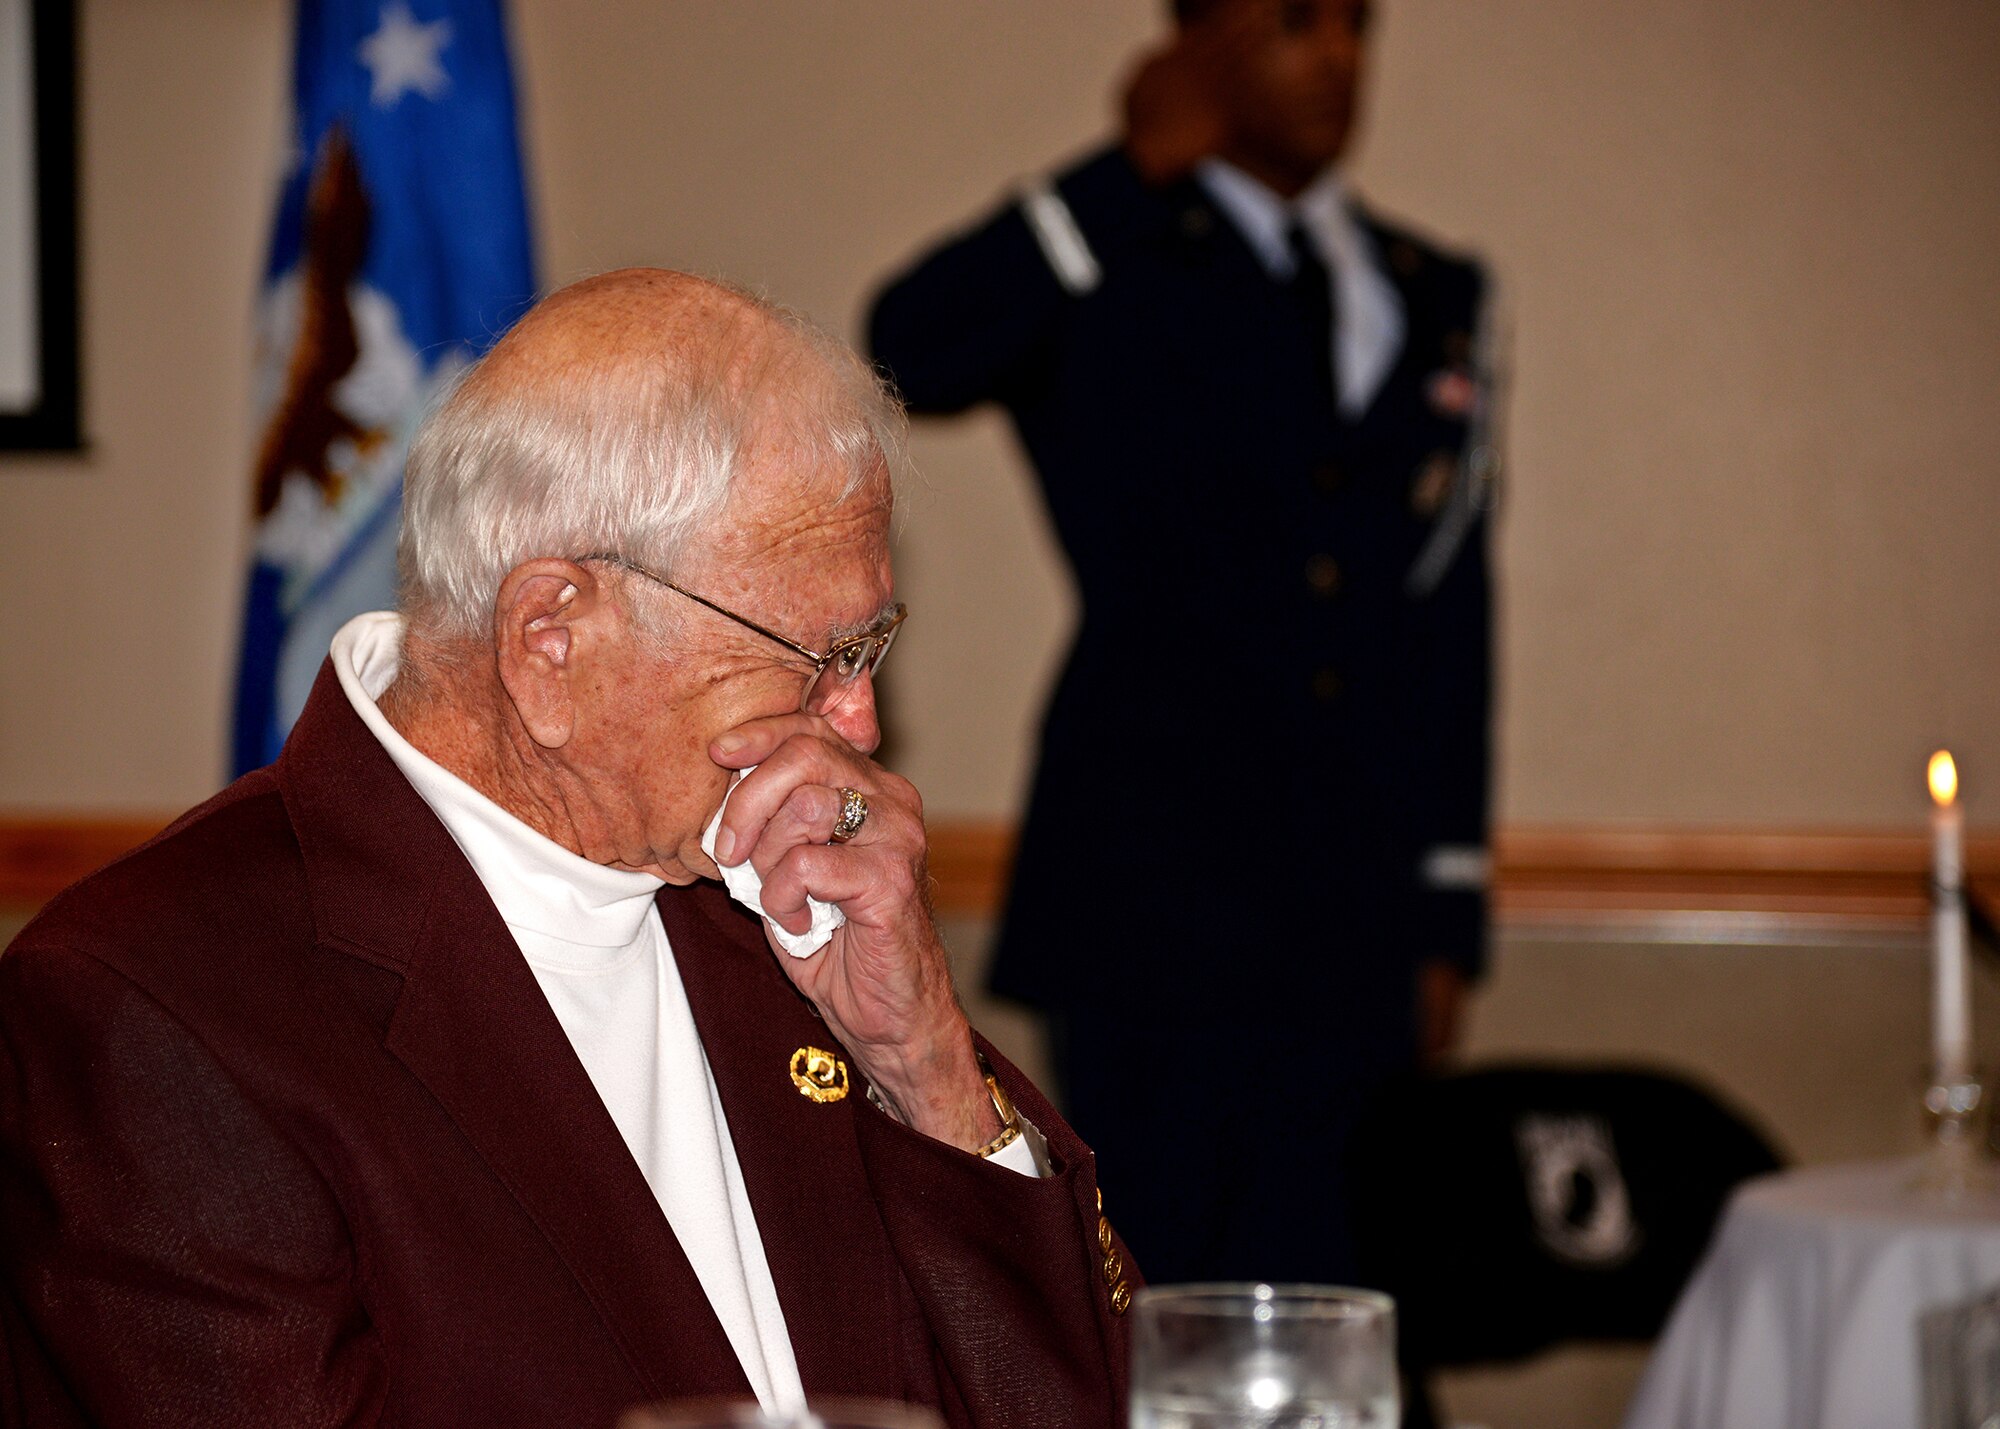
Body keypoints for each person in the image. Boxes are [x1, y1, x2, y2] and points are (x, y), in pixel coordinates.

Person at [0, 271, 1134, 1428]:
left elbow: (1105, 1401)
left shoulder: (772, 890)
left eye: (871, 642)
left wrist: (926, 1066)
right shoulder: (155, 1010)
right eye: (822, 653)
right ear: (552, 640)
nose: (860, 726)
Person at [867, 0, 1497, 1286]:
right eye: (1292, 22)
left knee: (1330, 1305)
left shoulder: (1432, 293)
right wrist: (1124, 167)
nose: (1334, 57)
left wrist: (1444, 908)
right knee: (1143, 1306)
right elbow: (908, 344)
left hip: (1355, 906)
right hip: (1149, 888)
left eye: (1353, 27)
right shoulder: (1120, 254)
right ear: (1199, 45)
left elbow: (1449, 614)